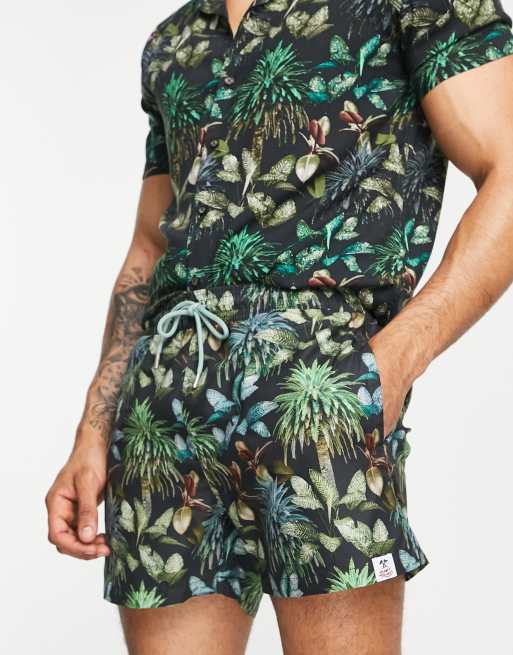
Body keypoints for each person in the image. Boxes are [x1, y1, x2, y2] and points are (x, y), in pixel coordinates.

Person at [45, 0, 513, 652]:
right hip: (161, 408)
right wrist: (94, 429)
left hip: (319, 388)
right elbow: (151, 244)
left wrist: (391, 363)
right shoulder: (175, 39)